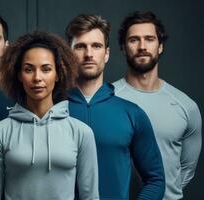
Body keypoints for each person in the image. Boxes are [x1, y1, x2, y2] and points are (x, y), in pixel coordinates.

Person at [0, 31, 99, 200]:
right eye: (29, 69)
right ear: (19, 76)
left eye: (46, 69)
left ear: (58, 74)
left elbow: (90, 197)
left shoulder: (81, 133)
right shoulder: (0, 132)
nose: (37, 78)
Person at [66, 14, 165, 200]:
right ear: (68, 54)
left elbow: (156, 179)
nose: (89, 54)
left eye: (96, 46)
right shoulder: (53, 110)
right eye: (80, 47)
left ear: (107, 54)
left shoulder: (132, 113)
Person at [113, 11, 202, 200]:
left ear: (160, 46)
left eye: (150, 39)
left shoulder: (185, 106)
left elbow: (186, 168)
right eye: (134, 40)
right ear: (123, 46)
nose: (142, 46)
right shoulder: (106, 99)